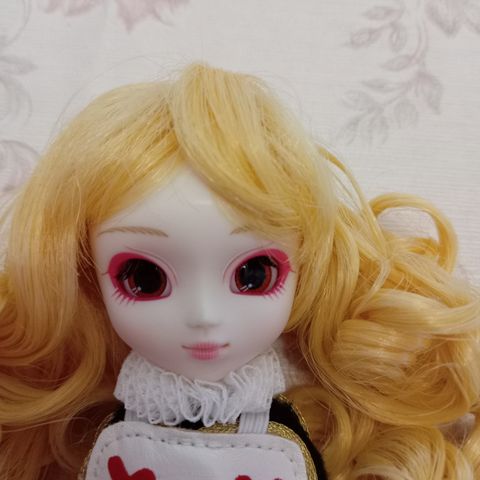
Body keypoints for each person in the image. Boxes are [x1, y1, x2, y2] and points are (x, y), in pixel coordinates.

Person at [0, 63, 479, 480]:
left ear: (305, 266)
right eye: (145, 279)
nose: (204, 315)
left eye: (254, 275)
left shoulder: (281, 442)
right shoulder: (116, 440)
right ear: (87, 275)